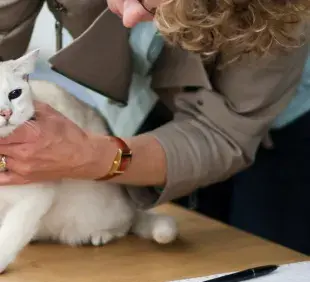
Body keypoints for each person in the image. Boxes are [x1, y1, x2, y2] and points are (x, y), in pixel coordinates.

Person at [0, 0, 309, 254]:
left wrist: (95, 156)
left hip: (258, 123)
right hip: (131, 104)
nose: (130, 16)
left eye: (156, 4)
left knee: (253, 249)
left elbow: (222, 133)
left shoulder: (280, 11)